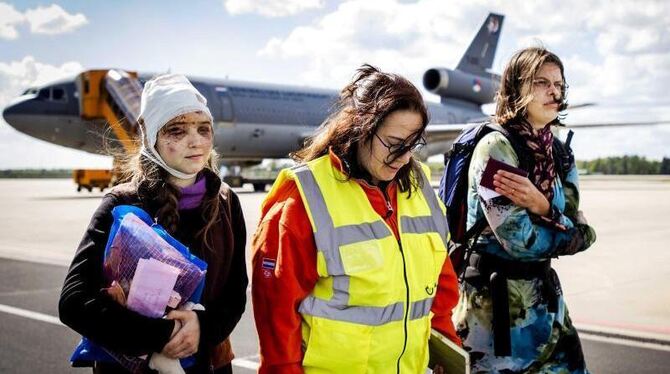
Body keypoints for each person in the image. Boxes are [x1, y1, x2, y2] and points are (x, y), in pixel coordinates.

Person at [251, 64, 461, 374]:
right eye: (394, 144)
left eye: (413, 145)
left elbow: (439, 297)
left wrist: (449, 357)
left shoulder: (419, 190)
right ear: (360, 127)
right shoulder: (302, 200)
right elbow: (277, 319)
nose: (404, 158)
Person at [59, 74, 248, 374]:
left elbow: (235, 293)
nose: (195, 140)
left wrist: (203, 329)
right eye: (176, 130)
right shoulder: (121, 203)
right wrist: (160, 337)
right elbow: (73, 302)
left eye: (203, 129)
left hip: (207, 363)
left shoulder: (226, 202)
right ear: (152, 138)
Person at [452, 47, 597, 373]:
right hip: (497, 315)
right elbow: (521, 241)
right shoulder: (496, 149)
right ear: (516, 89)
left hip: (546, 305)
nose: (554, 91)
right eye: (541, 83)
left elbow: (580, 225)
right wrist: (572, 233)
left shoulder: (559, 152)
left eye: (559, 84)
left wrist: (542, 205)